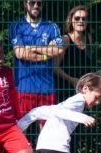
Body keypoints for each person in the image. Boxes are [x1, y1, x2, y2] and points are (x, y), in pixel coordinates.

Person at [9, 0, 64, 128]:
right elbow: (20, 54)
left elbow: (58, 49)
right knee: (21, 130)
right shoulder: (16, 26)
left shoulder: (51, 26)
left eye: (39, 3)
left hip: (47, 87)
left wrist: (33, 47)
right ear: (24, 4)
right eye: (32, 2)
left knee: (47, 132)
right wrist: (47, 53)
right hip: (23, 86)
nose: (35, 6)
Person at [54, 5, 95, 101]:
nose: (80, 21)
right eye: (77, 18)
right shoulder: (65, 40)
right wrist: (71, 80)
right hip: (65, 89)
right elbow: (55, 67)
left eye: (84, 18)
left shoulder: (88, 38)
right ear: (71, 20)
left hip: (84, 91)